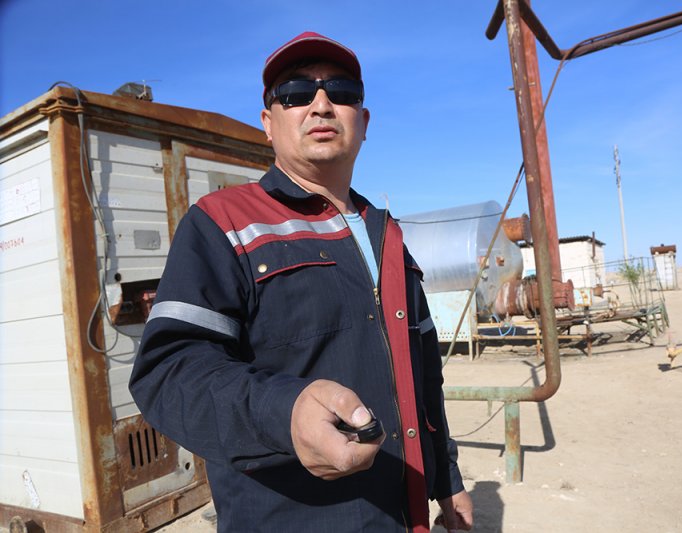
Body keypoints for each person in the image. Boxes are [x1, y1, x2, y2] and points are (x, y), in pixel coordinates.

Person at [129, 31, 473, 532]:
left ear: (364, 121)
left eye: (342, 91)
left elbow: (425, 377)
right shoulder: (222, 222)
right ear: (268, 124)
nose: (321, 104)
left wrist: (447, 480)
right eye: (294, 93)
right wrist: (283, 413)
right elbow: (167, 372)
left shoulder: (388, 236)